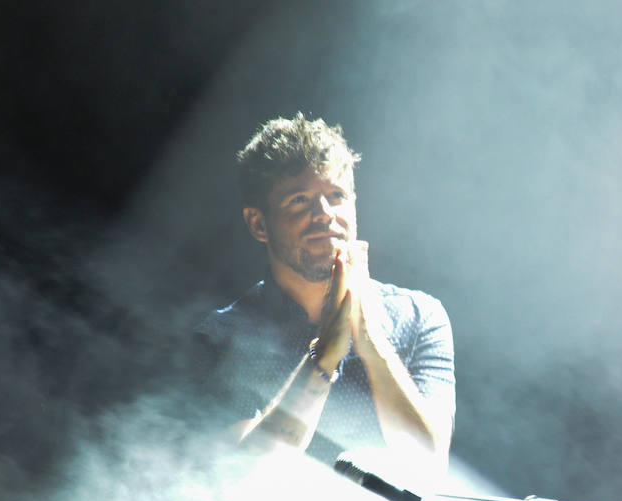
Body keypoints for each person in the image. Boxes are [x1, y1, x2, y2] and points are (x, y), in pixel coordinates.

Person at [195, 113, 455, 472]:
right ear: (258, 224)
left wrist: (369, 339)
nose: (325, 214)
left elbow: (429, 464)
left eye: (336, 196)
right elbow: (241, 476)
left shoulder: (419, 317)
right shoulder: (220, 337)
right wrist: (323, 359)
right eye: (300, 200)